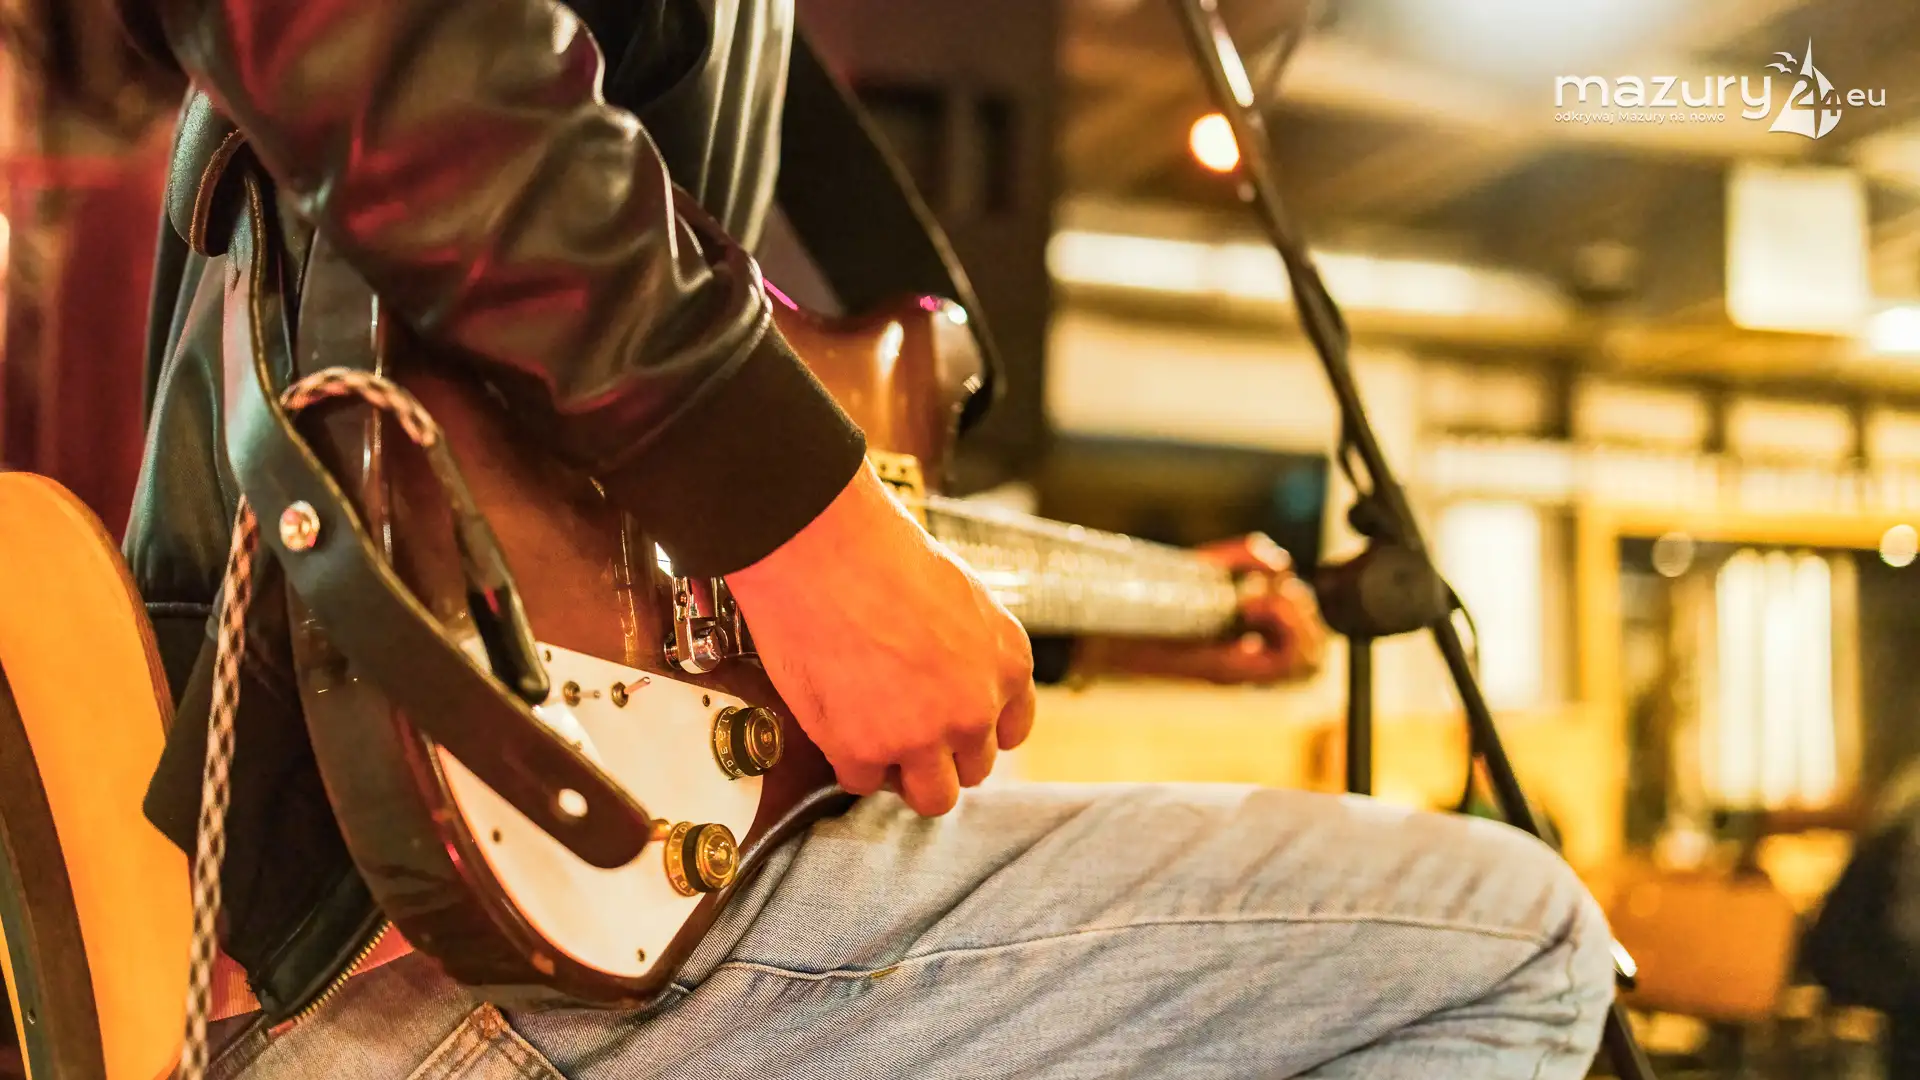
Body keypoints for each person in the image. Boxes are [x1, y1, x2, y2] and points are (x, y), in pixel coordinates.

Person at [111, 0, 1616, 1076]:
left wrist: (1069, 623)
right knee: (1520, 939)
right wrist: (797, 515)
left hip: (514, 909)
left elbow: (657, 564)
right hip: (415, 941)